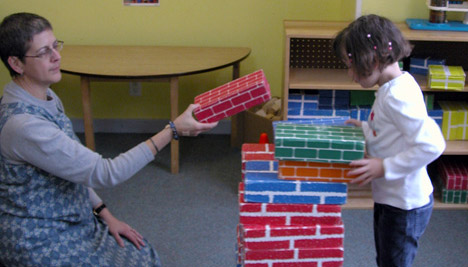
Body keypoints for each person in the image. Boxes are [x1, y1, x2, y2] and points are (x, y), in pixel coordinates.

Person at [0, 12, 217, 266]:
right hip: (39, 238)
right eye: (43, 52)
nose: (56, 56)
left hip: (73, 217)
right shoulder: (23, 125)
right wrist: (172, 131)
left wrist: (105, 214)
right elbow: (105, 172)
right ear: (16, 64)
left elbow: (75, 168)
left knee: (144, 256)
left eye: (55, 45)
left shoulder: (45, 96)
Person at [333, 14, 446, 267]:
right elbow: (391, 130)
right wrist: (365, 127)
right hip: (390, 197)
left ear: (372, 60)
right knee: (385, 258)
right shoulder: (394, 85)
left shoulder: (398, 96)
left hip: (405, 205)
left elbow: (432, 144)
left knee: (393, 263)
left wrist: (384, 167)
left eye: (351, 65)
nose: (350, 74)